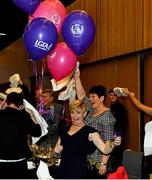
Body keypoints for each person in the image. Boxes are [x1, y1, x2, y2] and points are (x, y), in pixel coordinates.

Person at [53, 99, 121, 179]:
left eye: (78, 113)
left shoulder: (90, 131)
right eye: (72, 112)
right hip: (62, 172)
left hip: (79, 173)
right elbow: (56, 151)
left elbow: (106, 150)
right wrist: (55, 153)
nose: (74, 116)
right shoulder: (64, 130)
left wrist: (113, 144)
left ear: (84, 114)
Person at [74, 70, 116, 178]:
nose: (90, 99)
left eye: (93, 97)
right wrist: (77, 77)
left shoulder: (107, 115)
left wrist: (103, 163)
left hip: (97, 162)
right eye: (90, 96)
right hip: (86, 158)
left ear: (101, 98)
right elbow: (81, 95)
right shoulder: (92, 110)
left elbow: (108, 141)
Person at [0, 92, 41, 179]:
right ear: (20, 104)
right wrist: (33, 116)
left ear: (6, 102)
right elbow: (37, 133)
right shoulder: (24, 116)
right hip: (19, 162)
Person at [108, 89, 128, 171]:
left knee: (117, 154)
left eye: (114, 95)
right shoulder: (111, 106)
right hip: (113, 132)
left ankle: (117, 173)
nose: (112, 96)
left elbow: (123, 121)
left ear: (117, 96)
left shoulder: (120, 107)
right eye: (110, 95)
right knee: (113, 153)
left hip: (118, 132)